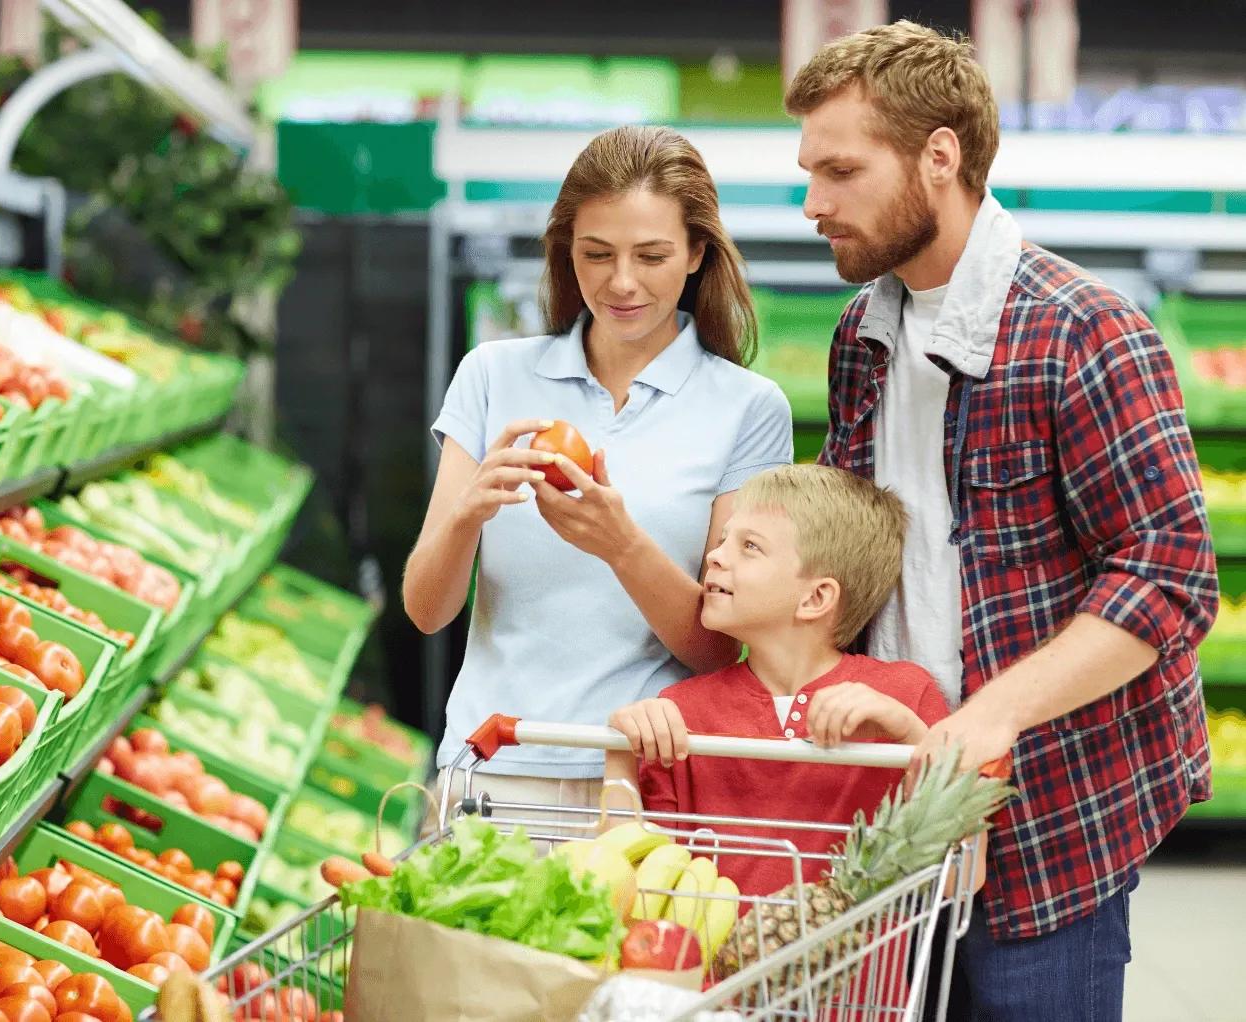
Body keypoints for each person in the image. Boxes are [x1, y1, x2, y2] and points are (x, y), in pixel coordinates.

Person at [785, 21, 1219, 1022]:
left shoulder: (1083, 327)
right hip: (895, 810)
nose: (812, 203)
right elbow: (860, 542)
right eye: (808, 172)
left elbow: (1166, 572)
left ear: (939, 156)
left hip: (1048, 815)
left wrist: (989, 713)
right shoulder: (864, 334)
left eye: (840, 171)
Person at [403, 125, 793, 818]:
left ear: (698, 252)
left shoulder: (747, 408)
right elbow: (427, 612)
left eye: (651, 256)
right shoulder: (492, 376)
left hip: (644, 786)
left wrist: (621, 544)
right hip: (491, 776)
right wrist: (469, 513)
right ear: (566, 253)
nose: (621, 282)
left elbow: (717, 651)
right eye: (596, 254)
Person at [605, 463, 951, 898]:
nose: (714, 555)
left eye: (749, 546)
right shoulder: (680, 710)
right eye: (723, 539)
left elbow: (959, 879)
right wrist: (620, 750)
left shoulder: (904, 695)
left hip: (856, 965)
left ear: (816, 597)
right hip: (710, 964)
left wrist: (908, 733)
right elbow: (633, 885)